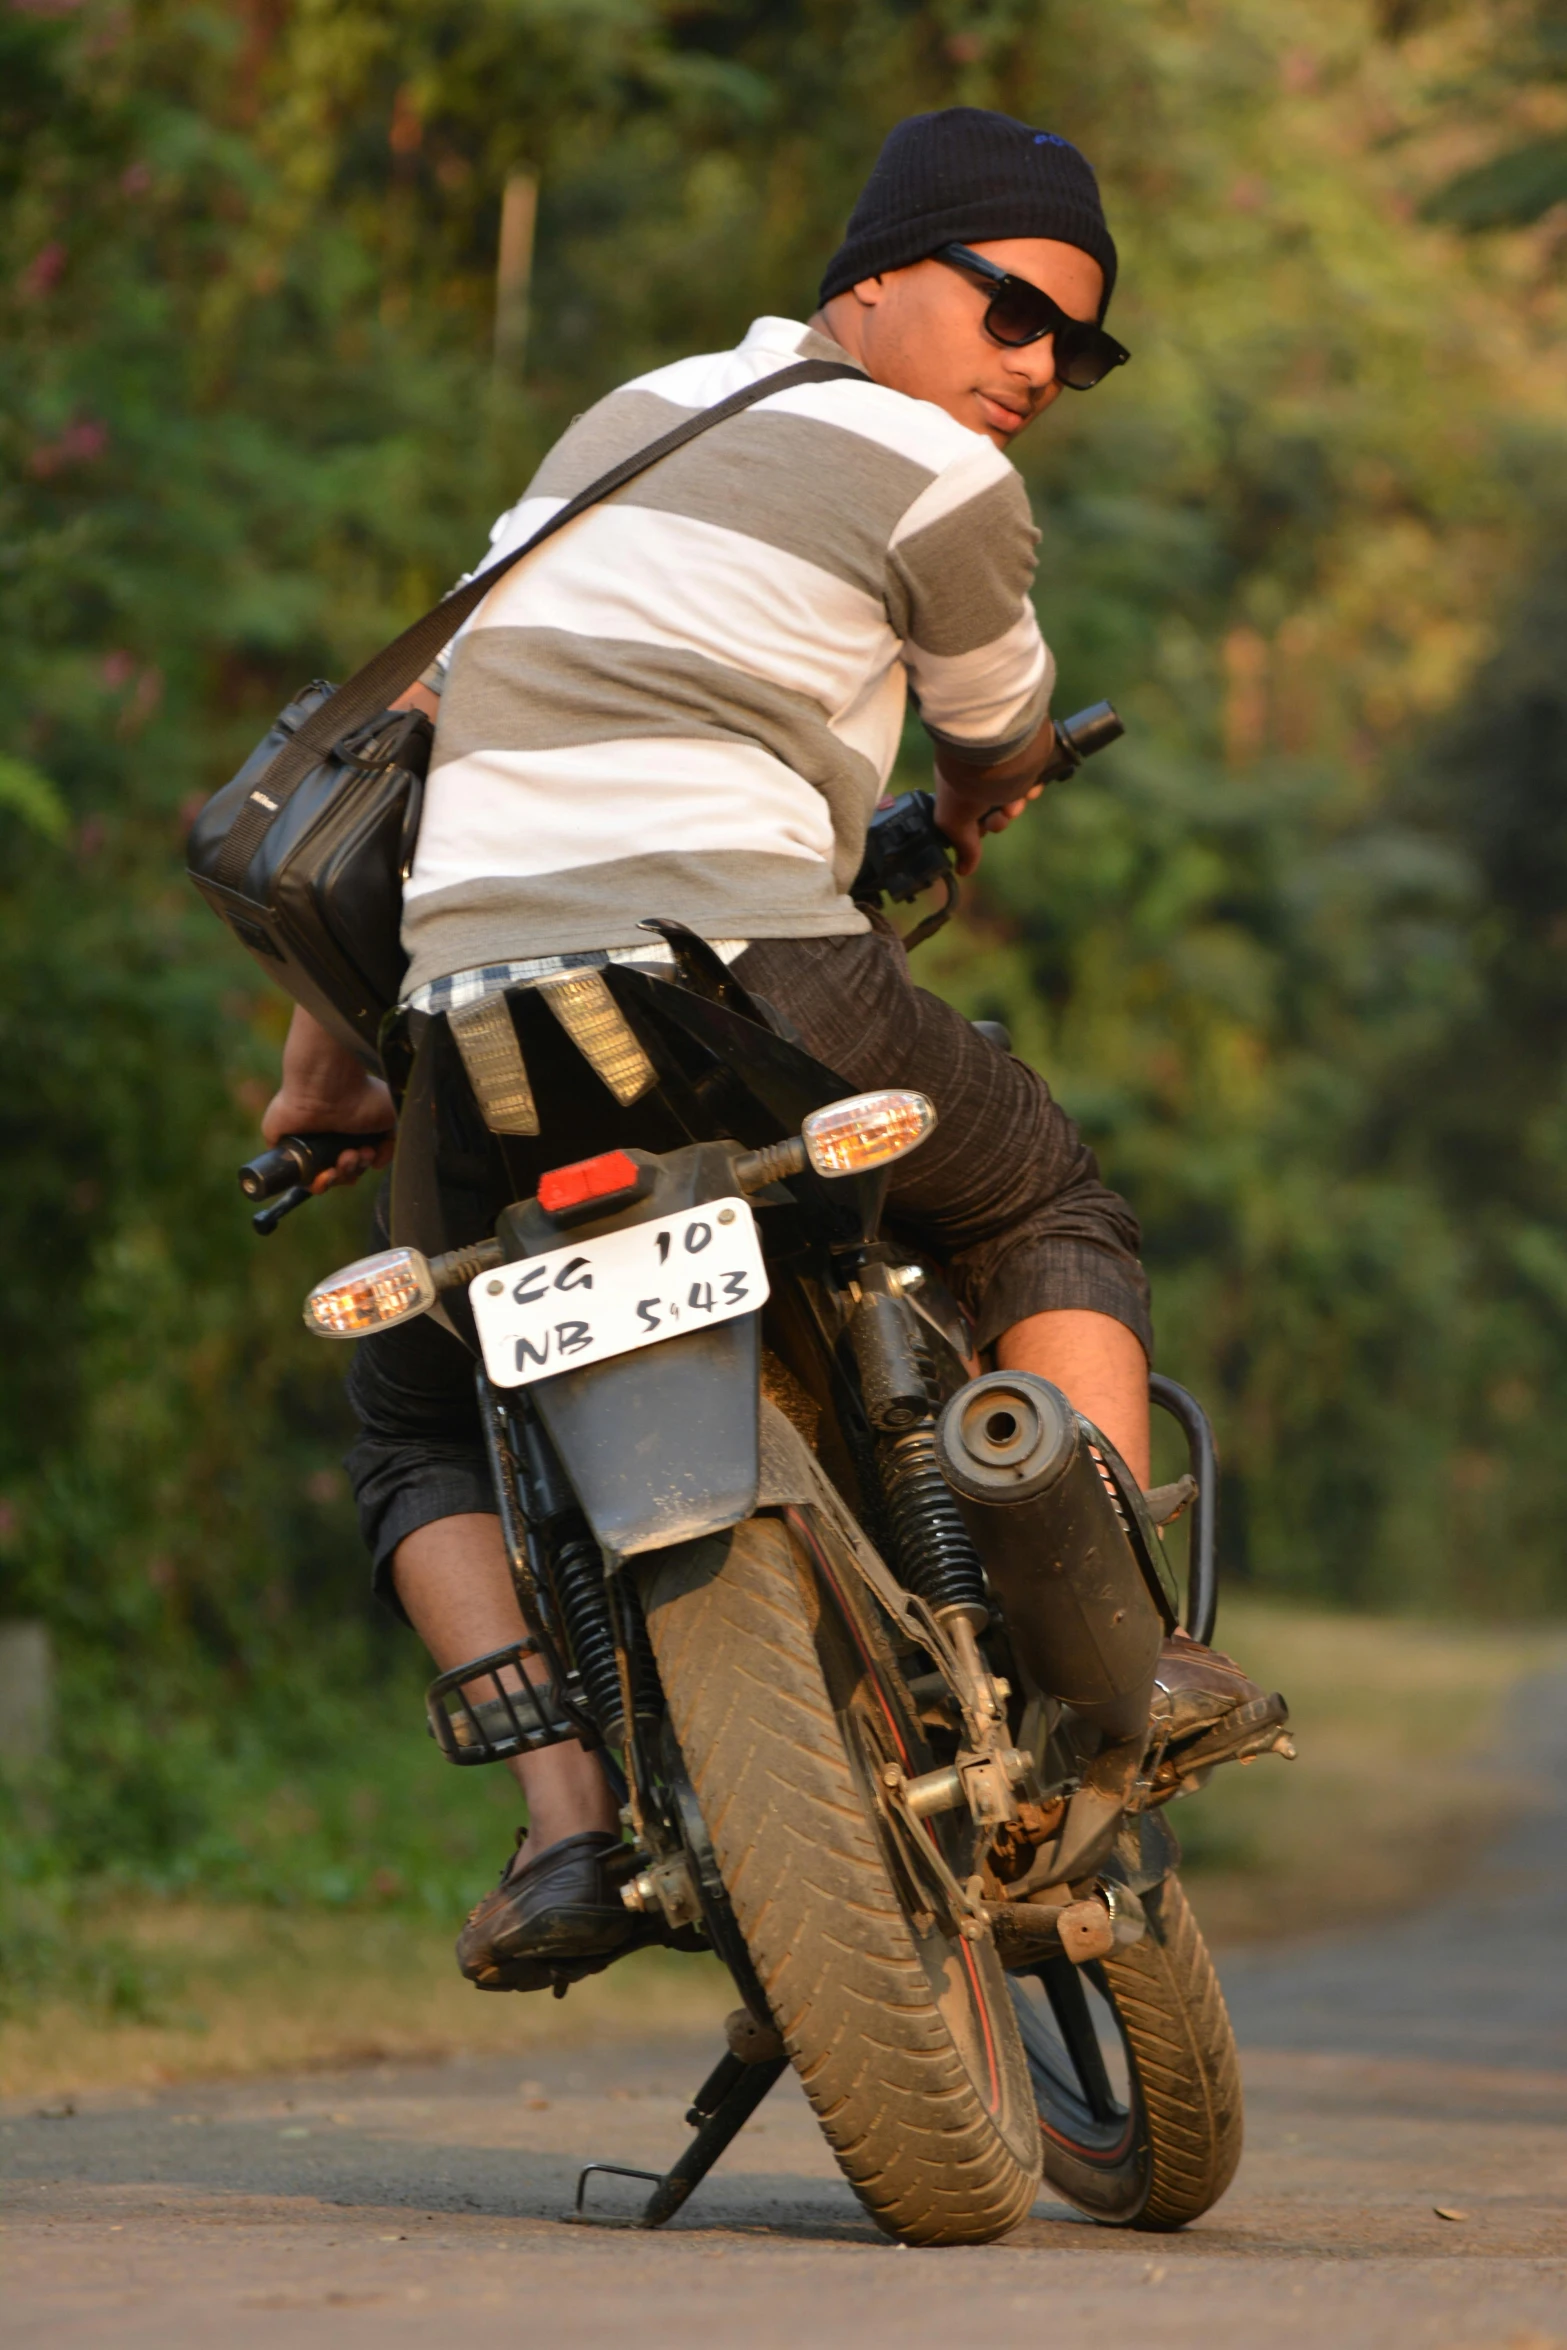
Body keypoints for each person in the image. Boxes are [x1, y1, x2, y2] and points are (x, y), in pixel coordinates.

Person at [262, 107, 1272, 1990]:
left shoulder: (612, 428)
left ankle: (563, 1827)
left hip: (463, 1004)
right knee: (1047, 1196)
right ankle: (1129, 1659)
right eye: (1012, 313)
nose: (1042, 367)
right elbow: (995, 738)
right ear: (873, 276)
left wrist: (324, 1073)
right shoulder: (936, 479)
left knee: (418, 1397)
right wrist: (975, 807)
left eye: (1080, 345)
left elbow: (402, 731)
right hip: (745, 972)